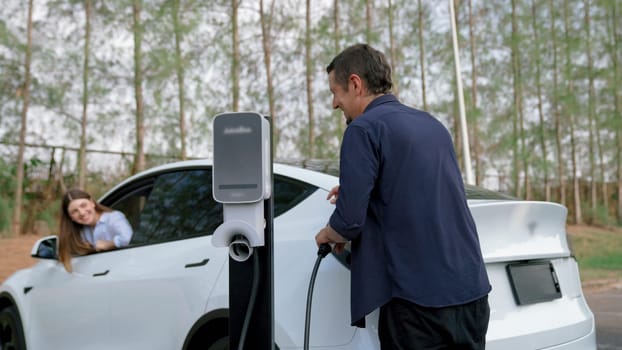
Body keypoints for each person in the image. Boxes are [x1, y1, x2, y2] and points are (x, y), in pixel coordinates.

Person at [315, 43, 491, 349]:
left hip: (418, 305)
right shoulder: (432, 125)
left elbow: (348, 223)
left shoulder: (362, 130)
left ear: (355, 84)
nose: (334, 103)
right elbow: (423, 188)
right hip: (471, 295)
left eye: (335, 92)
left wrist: (327, 233)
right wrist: (362, 189)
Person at [58, 188, 133, 272]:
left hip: (126, 268)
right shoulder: (81, 232)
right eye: (75, 211)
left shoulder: (113, 217)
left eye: (83, 205)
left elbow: (127, 238)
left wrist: (108, 244)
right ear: (70, 217)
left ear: (92, 203)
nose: (82, 213)